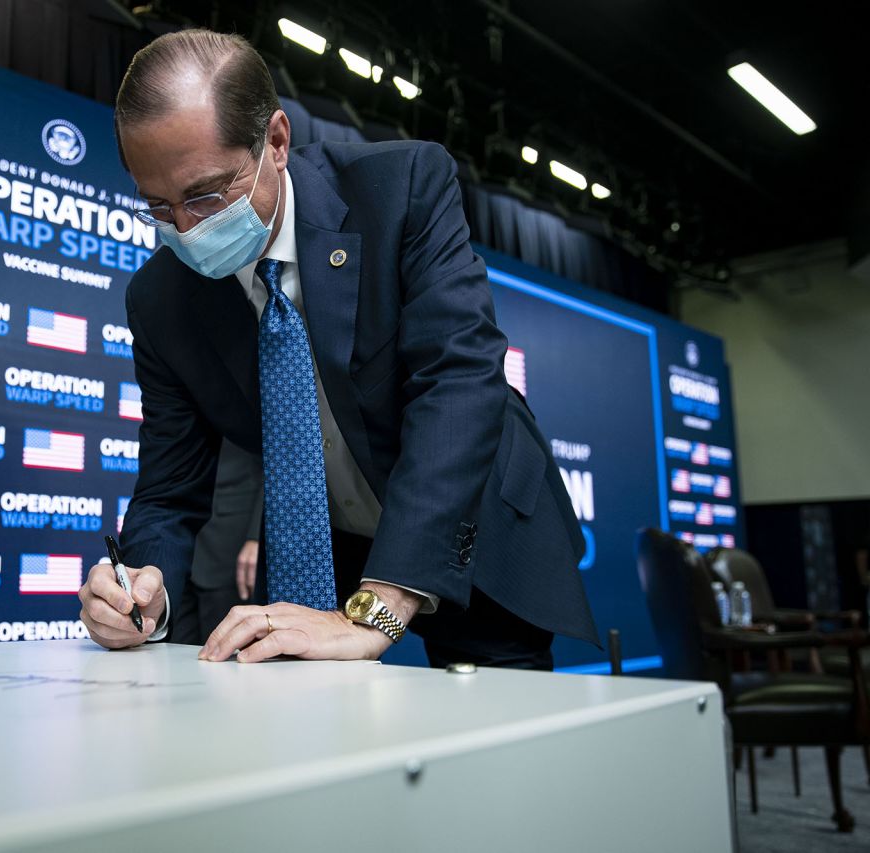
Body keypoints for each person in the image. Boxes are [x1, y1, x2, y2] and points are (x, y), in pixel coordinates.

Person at [78, 28, 597, 669]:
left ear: (275, 141)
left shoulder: (401, 187)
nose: (186, 228)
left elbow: (460, 383)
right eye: (158, 205)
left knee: (498, 734)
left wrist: (380, 606)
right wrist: (142, 586)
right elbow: (169, 486)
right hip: (325, 543)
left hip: (466, 512)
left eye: (207, 195)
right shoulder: (160, 299)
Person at [170, 440, 264, 645]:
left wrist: (256, 536)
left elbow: (277, 465)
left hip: (233, 543)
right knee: (175, 653)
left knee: (224, 653)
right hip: (180, 544)